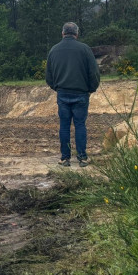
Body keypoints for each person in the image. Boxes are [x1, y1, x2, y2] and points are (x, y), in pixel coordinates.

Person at [45, 22, 100, 167]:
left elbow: (49, 76)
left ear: (63, 33)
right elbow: (94, 73)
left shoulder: (54, 50)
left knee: (64, 126)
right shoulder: (85, 49)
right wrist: (91, 89)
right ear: (76, 34)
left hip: (62, 93)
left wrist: (56, 87)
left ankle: (65, 158)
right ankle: (82, 158)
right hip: (81, 93)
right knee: (80, 125)